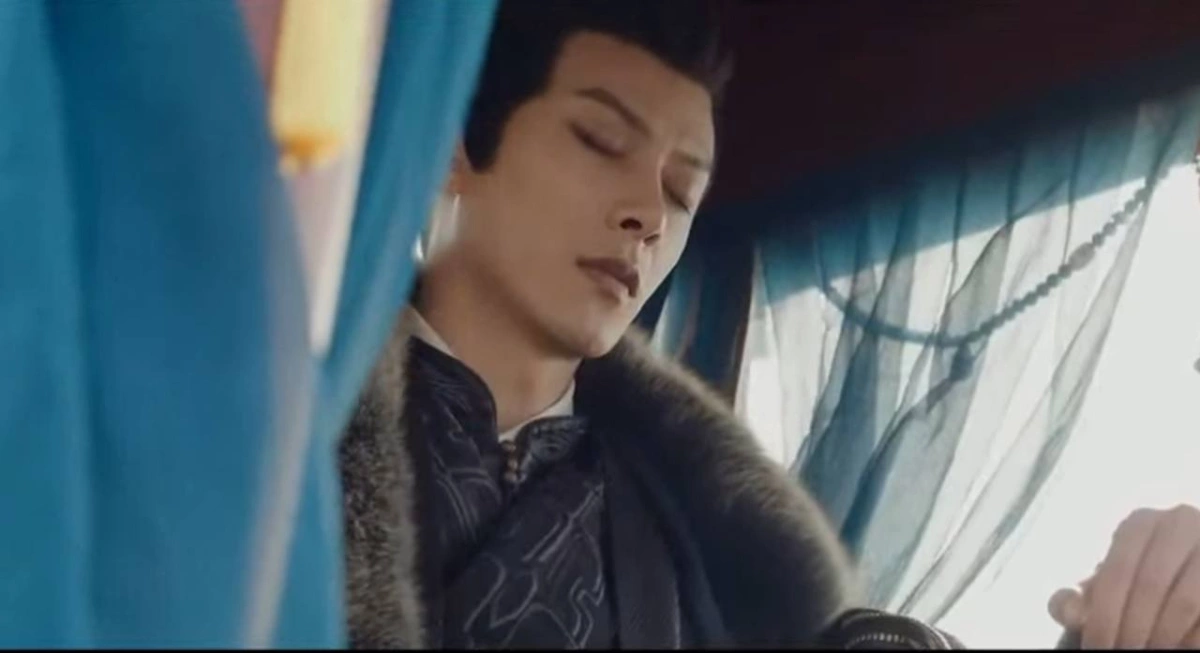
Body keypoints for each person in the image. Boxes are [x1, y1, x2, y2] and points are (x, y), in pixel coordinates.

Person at [337, 0, 1200, 648]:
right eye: (600, 141)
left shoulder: (714, 551)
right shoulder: (291, 419)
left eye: (682, 191)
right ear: (454, 149)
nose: (648, 213)